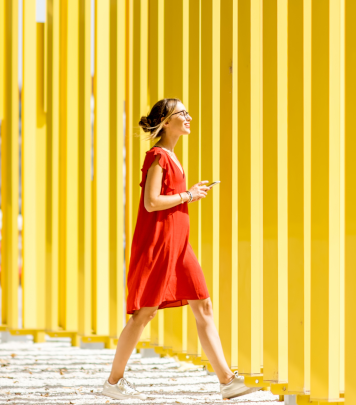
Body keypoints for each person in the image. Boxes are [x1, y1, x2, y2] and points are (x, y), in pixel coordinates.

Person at [101, 97, 261, 401]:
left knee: (204, 307)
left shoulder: (172, 157)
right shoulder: (159, 156)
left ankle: (227, 381)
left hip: (179, 245)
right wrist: (188, 195)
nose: (188, 117)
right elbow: (151, 202)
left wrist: (190, 193)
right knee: (144, 314)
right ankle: (113, 381)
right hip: (161, 244)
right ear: (165, 122)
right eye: (182, 113)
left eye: (188, 111)